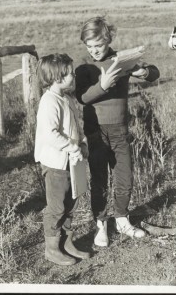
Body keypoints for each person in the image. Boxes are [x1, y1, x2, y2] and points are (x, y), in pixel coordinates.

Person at [75, 16, 160, 247]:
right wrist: (103, 85)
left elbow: (154, 73)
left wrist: (143, 73)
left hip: (120, 129)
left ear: (109, 39)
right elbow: (82, 97)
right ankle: (101, 224)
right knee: (100, 178)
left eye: (99, 46)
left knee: (125, 176)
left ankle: (122, 219)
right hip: (95, 131)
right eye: (89, 47)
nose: (94, 51)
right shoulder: (85, 68)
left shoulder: (121, 60)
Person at [35, 53, 91, 266]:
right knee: (56, 206)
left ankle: (67, 243)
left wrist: (82, 142)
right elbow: (50, 134)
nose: (73, 76)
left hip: (71, 160)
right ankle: (51, 248)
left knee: (70, 202)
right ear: (56, 77)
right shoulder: (49, 102)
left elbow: (76, 125)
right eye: (69, 73)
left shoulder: (67, 98)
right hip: (55, 162)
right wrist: (73, 146)